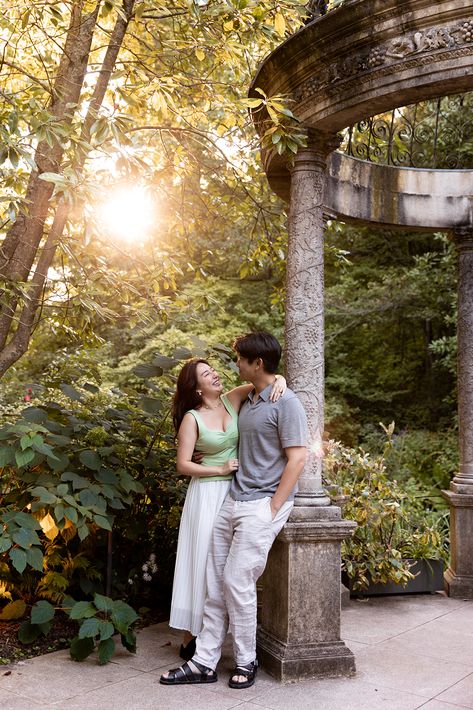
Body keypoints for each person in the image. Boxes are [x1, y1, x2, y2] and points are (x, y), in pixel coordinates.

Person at [161, 332, 308, 689]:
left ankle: (246, 659)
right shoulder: (251, 397)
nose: (234, 364)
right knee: (215, 583)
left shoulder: (286, 402)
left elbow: (299, 457)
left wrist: (273, 508)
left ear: (256, 363)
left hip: (261, 505)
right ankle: (204, 662)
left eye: (240, 359)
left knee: (236, 581)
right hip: (232, 499)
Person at [168, 358, 287, 661]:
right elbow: (183, 464)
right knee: (203, 561)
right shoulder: (192, 418)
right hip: (206, 494)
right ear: (196, 388)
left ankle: (223, 634)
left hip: (238, 493)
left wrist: (282, 380)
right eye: (206, 374)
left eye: (213, 370)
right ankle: (191, 635)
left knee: (229, 567)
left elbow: (264, 380)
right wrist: (218, 467)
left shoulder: (231, 399)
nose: (215, 374)